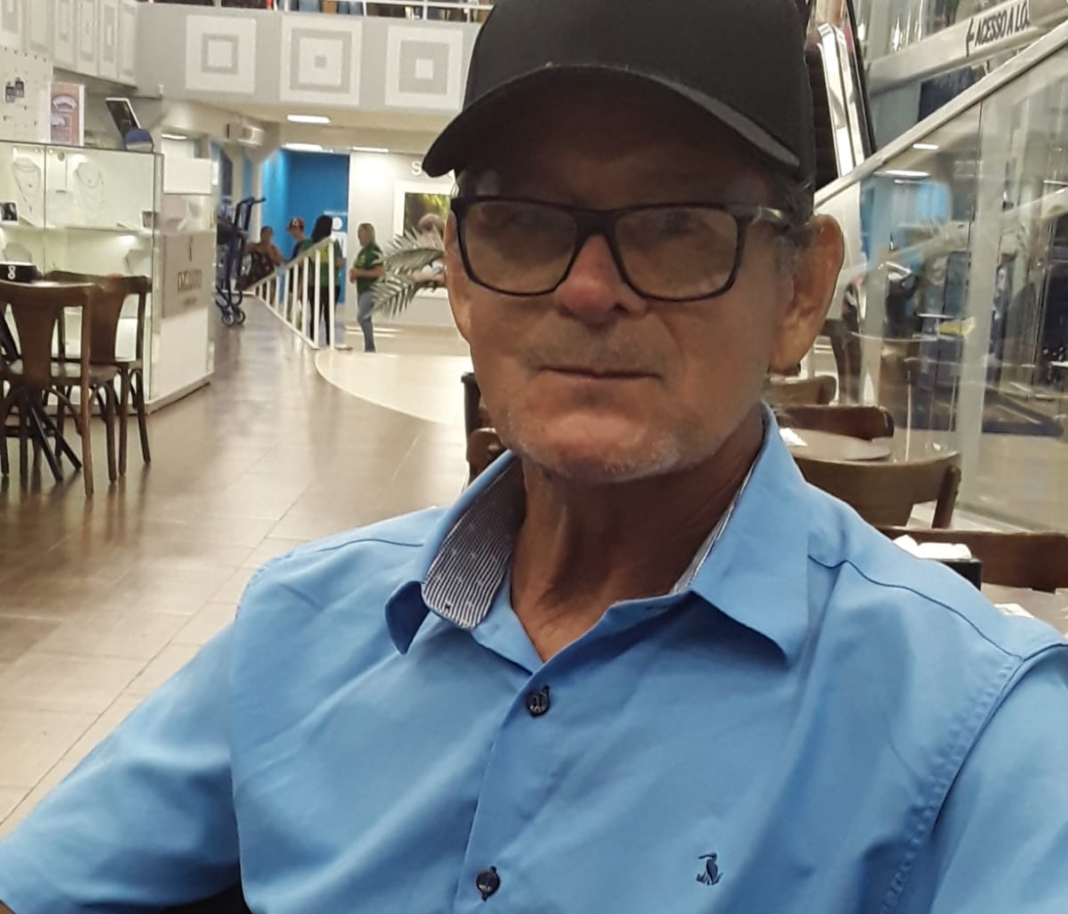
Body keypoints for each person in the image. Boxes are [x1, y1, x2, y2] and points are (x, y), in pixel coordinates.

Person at [1, 3, 1066, 914]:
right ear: (461, 277)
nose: (588, 289)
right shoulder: (303, 629)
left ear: (799, 290)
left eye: (677, 224)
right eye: (522, 220)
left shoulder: (972, 730)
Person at [296, 215, 345, 343]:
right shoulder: (333, 243)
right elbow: (340, 263)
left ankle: (313, 340)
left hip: (315, 283)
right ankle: (330, 342)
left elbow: (300, 262)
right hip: (331, 284)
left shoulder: (309, 243)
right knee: (329, 315)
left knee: (315, 314)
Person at [348, 222, 383, 352]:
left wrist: (360, 273)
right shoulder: (362, 252)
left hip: (371, 289)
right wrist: (354, 274)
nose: (358, 236)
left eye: (361, 232)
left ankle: (370, 347)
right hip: (361, 289)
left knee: (362, 317)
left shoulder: (374, 251)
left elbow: (379, 272)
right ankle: (368, 345)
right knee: (365, 318)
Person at [240, 225, 282, 290]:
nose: (266, 236)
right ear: (261, 234)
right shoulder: (254, 246)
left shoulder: (274, 249)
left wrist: (269, 252)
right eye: (264, 234)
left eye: (268, 234)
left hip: (268, 276)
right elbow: (241, 253)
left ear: (272, 236)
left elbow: (278, 262)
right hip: (254, 275)